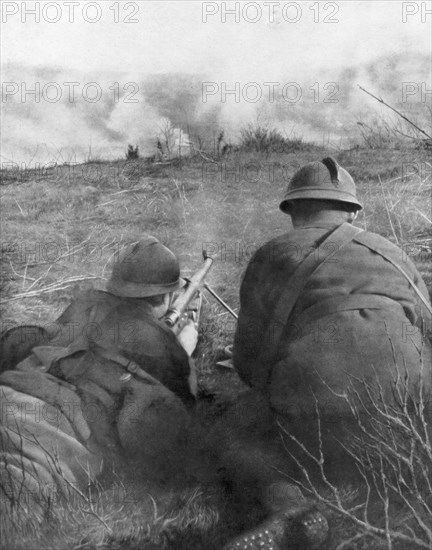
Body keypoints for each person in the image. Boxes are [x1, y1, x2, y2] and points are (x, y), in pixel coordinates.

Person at [217, 157, 431, 549]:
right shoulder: (393, 253)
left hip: (317, 407)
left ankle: (291, 509)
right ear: (351, 211)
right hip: (409, 405)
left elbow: (249, 365)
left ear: (293, 210)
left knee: (237, 427)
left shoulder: (273, 254)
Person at [0, 236, 199, 514]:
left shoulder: (88, 301)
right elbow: (185, 410)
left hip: (14, 390)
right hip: (58, 432)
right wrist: (185, 349)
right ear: (167, 296)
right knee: (20, 495)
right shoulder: (160, 342)